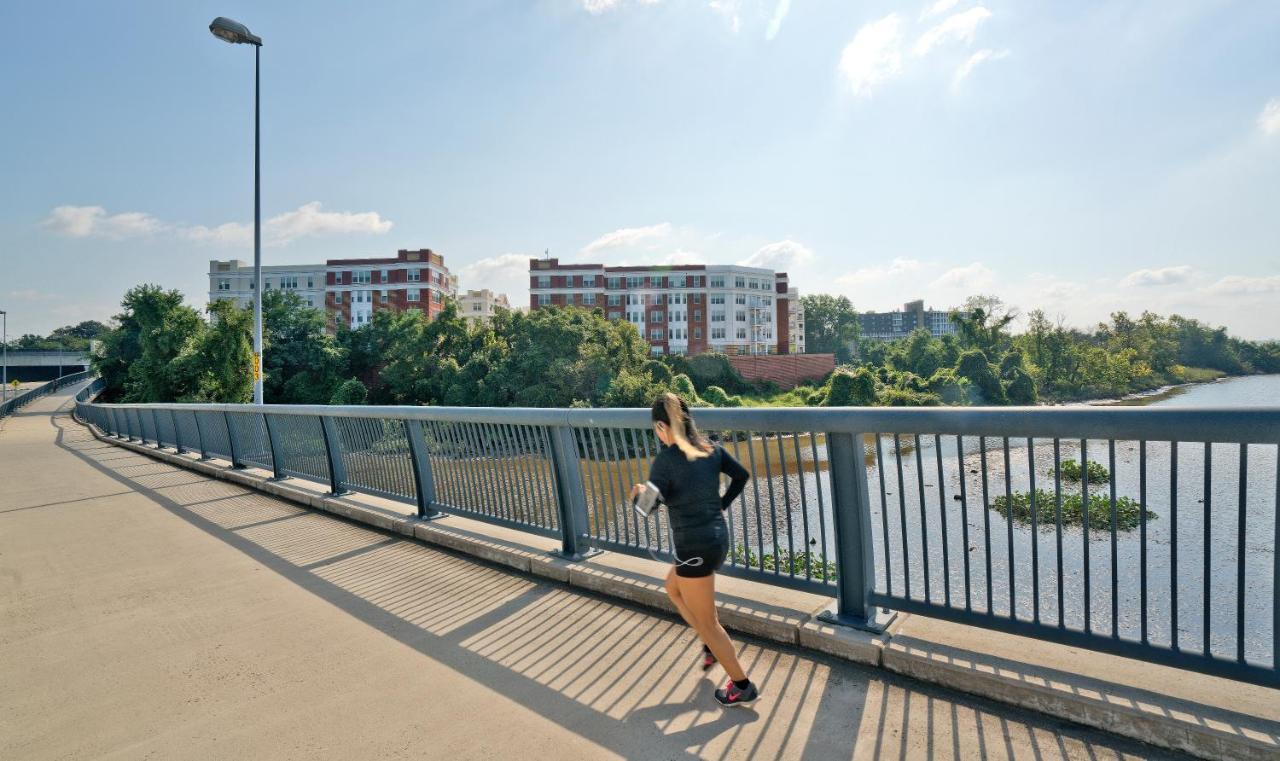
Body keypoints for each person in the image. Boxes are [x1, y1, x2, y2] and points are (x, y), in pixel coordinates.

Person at [629, 392, 758, 707]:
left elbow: (647, 509)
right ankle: (712, 645)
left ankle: (742, 685)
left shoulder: (667, 461)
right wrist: (720, 505)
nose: (657, 435)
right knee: (672, 588)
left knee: (709, 624)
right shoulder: (711, 449)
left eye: (655, 429)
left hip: (693, 549)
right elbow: (741, 476)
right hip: (716, 539)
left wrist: (637, 493)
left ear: (662, 426)